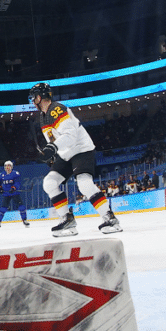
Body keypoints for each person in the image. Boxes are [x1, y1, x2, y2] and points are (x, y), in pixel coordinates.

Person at [29, 82, 121, 237]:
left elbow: (70, 135)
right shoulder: (43, 117)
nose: (32, 101)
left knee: (84, 184)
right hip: (65, 154)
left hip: (81, 149)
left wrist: (53, 148)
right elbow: (54, 139)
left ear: (40, 97)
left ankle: (110, 219)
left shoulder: (57, 109)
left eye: (33, 97)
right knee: (49, 183)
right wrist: (52, 154)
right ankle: (67, 220)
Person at [0, 160, 29, 228]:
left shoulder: (15, 173)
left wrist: (13, 188)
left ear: (11, 167)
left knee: (21, 207)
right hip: (6, 194)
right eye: (6, 166)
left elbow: (17, 183)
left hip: (15, 193)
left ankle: (24, 220)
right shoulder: (1, 174)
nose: (7, 167)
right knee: (3, 208)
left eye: (9, 166)